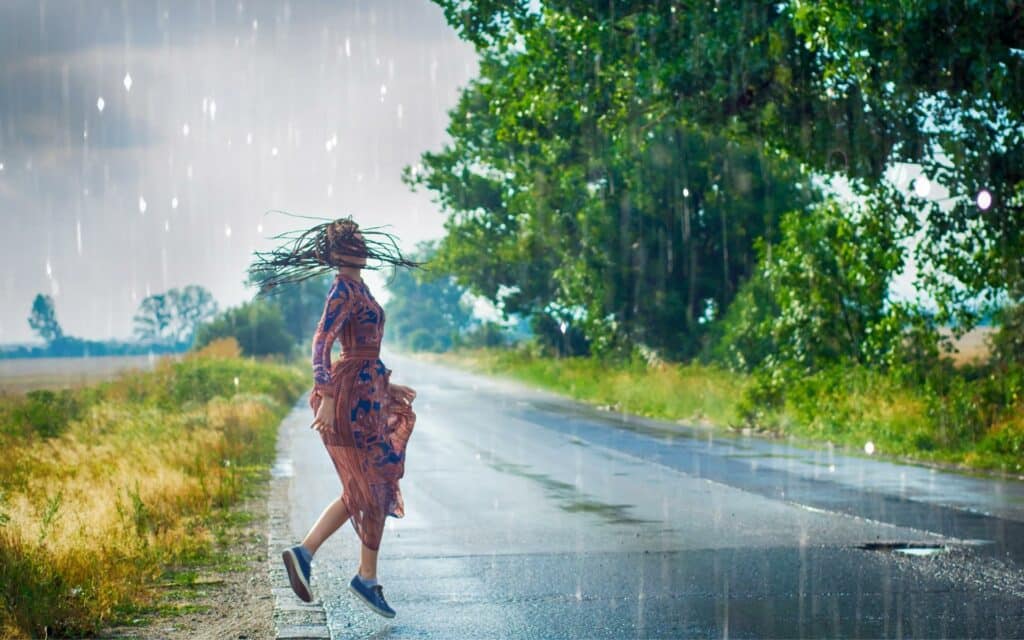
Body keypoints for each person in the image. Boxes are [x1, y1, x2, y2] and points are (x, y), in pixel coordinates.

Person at [248, 215, 421, 618]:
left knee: (366, 486)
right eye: (355, 241)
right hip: (349, 400)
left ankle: (314, 557)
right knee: (371, 485)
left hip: (366, 392)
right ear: (341, 251)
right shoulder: (342, 289)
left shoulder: (359, 286)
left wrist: (385, 385)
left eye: (362, 240)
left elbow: (361, 351)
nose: (363, 246)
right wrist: (326, 395)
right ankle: (359, 576)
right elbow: (322, 343)